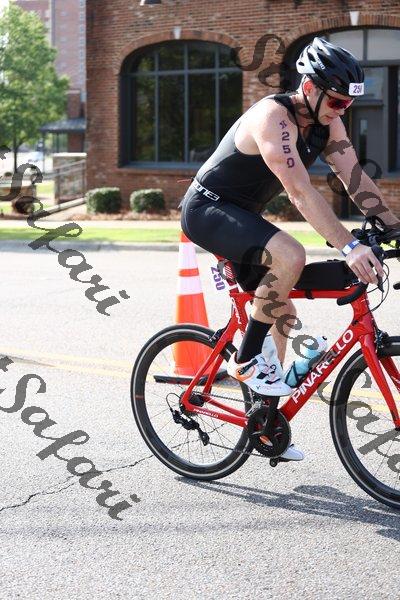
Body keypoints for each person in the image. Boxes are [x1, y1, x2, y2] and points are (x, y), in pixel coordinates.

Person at [180, 37, 399, 460]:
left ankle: (264, 424)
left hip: (243, 215)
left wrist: (394, 227)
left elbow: (354, 178)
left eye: (348, 105)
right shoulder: (273, 117)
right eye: (337, 102)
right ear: (310, 88)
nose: (342, 111)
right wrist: (350, 245)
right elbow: (300, 192)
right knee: (291, 254)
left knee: (282, 311)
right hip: (208, 209)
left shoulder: (327, 123)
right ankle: (245, 360)